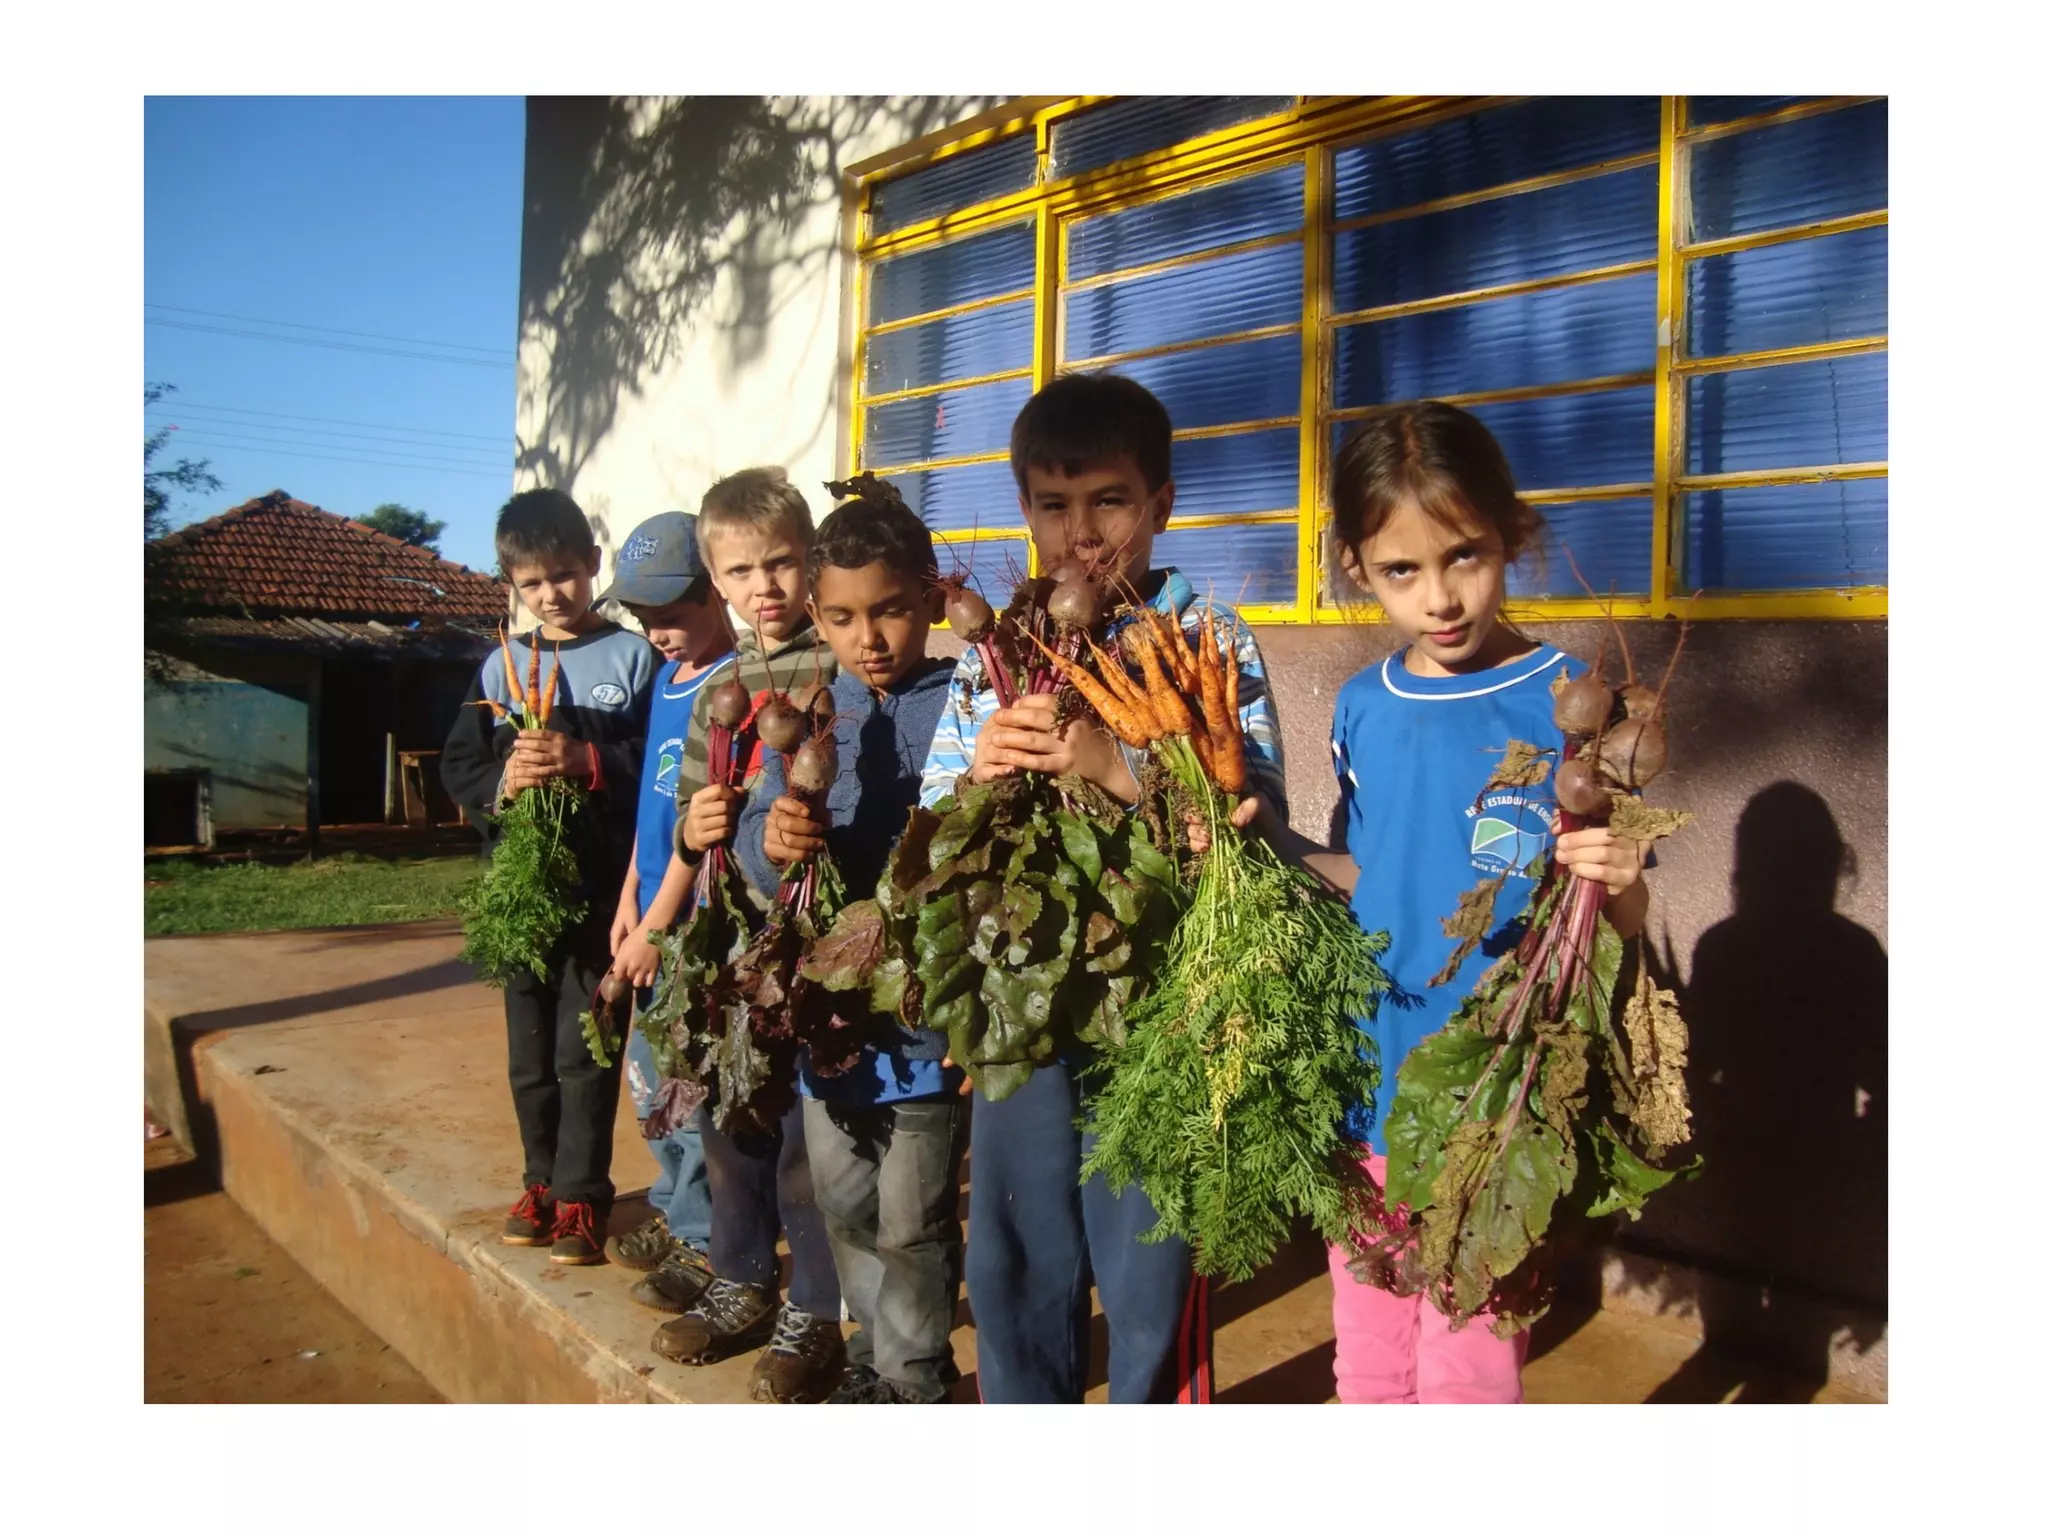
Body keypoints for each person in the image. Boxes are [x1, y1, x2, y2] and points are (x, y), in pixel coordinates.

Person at [1259, 400, 1651, 1403]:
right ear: (1357, 568)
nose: (1438, 597)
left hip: (1497, 1093)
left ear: (1511, 535)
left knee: (1467, 1369)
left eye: (1464, 556)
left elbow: (1610, 929)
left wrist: (1624, 885)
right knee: (1370, 1356)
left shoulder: (1571, 705)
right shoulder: (1362, 706)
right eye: (1402, 570)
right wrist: (1257, 848)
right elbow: (1375, 873)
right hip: (1371, 1072)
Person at [916, 371, 1287, 1403]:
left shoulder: (1210, 636)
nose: (1080, 533)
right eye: (1053, 505)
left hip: (1161, 1008)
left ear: (1160, 503)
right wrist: (979, 770)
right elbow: (935, 818)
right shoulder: (994, 650)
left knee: (1150, 1263)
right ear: (1023, 509)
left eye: (1109, 501)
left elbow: (1254, 814)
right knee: (1014, 1254)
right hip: (1025, 1004)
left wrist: (1118, 767)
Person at [735, 480, 966, 1405]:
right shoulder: (812, 711)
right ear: (815, 617)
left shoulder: (967, 708)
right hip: (830, 1018)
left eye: (890, 610)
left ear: (931, 599)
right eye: (840, 617)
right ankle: (871, 1357)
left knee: (914, 1219)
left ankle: (915, 1381)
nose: (867, 637)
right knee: (842, 1203)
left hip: (922, 1016)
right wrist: (771, 840)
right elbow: (755, 833)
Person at [647, 467, 847, 1404]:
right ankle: (740, 1276)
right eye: (740, 571)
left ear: (810, 560)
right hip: (732, 936)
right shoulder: (717, 689)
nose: (764, 586)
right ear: (715, 580)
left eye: (781, 563)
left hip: (813, 935)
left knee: (811, 1131)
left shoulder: (838, 664)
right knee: (731, 1112)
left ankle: (815, 1306)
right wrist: (694, 833)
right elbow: (695, 814)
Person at [441, 488, 658, 1264]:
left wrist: (588, 760)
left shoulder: (635, 659)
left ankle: (581, 1196)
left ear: (593, 564)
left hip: (601, 894)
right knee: (529, 1055)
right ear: (512, 583)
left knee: (585, 1049)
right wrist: (507, 781)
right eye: (532, 583)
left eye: (564, 575)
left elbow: (660, 766)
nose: (551, 594)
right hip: (524, 897)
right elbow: (460, 765)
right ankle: (538, 1182)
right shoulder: (499, 667)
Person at [593, 510, 735, 1310]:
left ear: (715, 592)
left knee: (687, 1089)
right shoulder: (668, 681)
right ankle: (670, 1204)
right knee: (651, 1083)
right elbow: (652, 812)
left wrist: (657, 926)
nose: (657, 633)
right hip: (650, 912)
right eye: (644, 617)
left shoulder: (729, 689)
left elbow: (700, 831)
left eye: (671, 615)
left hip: (689, 922)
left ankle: (703, 1237)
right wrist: (629, 898)